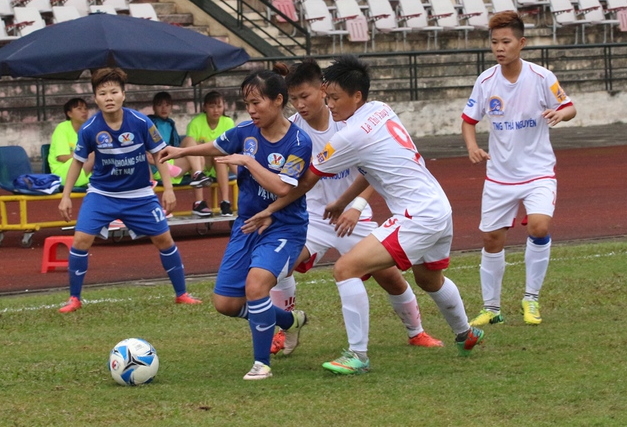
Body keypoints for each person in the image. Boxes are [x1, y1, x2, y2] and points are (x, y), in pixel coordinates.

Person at [244, 55, 483, 375]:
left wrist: (270, 207)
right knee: (429, 278)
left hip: (417, 214)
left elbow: (304, 182)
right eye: (327, 97)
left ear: (355, 96)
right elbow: (371, 167)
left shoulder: (348, 134)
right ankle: (466, 334)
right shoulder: (380, 108)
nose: (328, 104)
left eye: (332, 98)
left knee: (346, 268)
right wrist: (343, 201)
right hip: (435, 205)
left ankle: (358, 355)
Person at [268, 60, 444, 357]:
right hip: (314, 217)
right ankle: (288, 327)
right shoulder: (294, 132)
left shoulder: (348, 120)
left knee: (388, 277)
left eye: (305, 96)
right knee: (279, 264)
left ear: (323, 91)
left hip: (354, 216)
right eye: (293, 98)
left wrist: (355, 205)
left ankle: (417, 332)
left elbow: (379, 171)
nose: (299, 105)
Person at [159, 64, 312, 381]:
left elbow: (284, 187)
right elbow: (217, 146)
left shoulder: (299, 142)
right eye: (247, 104)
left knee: (255, 286)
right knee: (226, 303)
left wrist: (247, 160)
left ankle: (261, 364)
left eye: (257, 103)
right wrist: (180, 150)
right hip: (247, 225)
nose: (251, 110)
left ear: (278, 101)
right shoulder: (245, 132)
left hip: (283, 227)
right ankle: (288, 320)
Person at [461, 11, 577, 327]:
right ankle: (492, 308)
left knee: (539, 226)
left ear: (521, 43)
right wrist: (472, 146)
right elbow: (468, 120)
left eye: (506, 41)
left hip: (538, 171)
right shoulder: (486, 81)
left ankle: (531, 299)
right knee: (491, 240)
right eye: (494, 42)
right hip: (499, 175)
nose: (499, 48)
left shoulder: (541, 77)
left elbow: (570, 107)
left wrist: (560, 114)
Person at [56, 68, 202, 314]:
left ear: (124, 94)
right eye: (102, 93)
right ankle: (74, 299)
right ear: (96, 98)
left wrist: (168, 189)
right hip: (102, 194)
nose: (109, 97)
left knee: (164, 239)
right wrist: (65, 196)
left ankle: (182, 293)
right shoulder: (90, 128)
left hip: (140, 195)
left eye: (114, 91)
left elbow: (159, 155)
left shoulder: (141, 122)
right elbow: (77, 162)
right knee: (80, 240)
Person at [149, 91, 214, 217]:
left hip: (173, 164)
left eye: (167, 105)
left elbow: (176, 147)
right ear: (154, 107)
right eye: (160, 105)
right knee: (194, 151)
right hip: (159, 166)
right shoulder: (150, 122)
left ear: (171, 107)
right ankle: (199, 201)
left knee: (192, 145)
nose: (164, 108)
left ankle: (198, 176)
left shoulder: (171, 123)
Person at [186, 91, 237, 217]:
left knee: (220, 156)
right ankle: (199, 203)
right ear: (204, 107)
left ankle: (225, 202)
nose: (216, 110)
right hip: (201, 162)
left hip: (221, 162)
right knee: (196, 155)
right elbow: (190, 147)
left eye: (219, 106)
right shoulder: (195, 123)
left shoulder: (228, 123)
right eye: (212, 106)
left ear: (224, 107)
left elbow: (231, 147)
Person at [48, 98, 94, 188]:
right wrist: (85, 156)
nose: (84, 112)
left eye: (85, 109)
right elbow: (62, 157)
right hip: (62, 172)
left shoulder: (88, 129)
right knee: (94, 154)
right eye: (79, 109)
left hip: (82, 166)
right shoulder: (62, 128)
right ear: (69, 113)